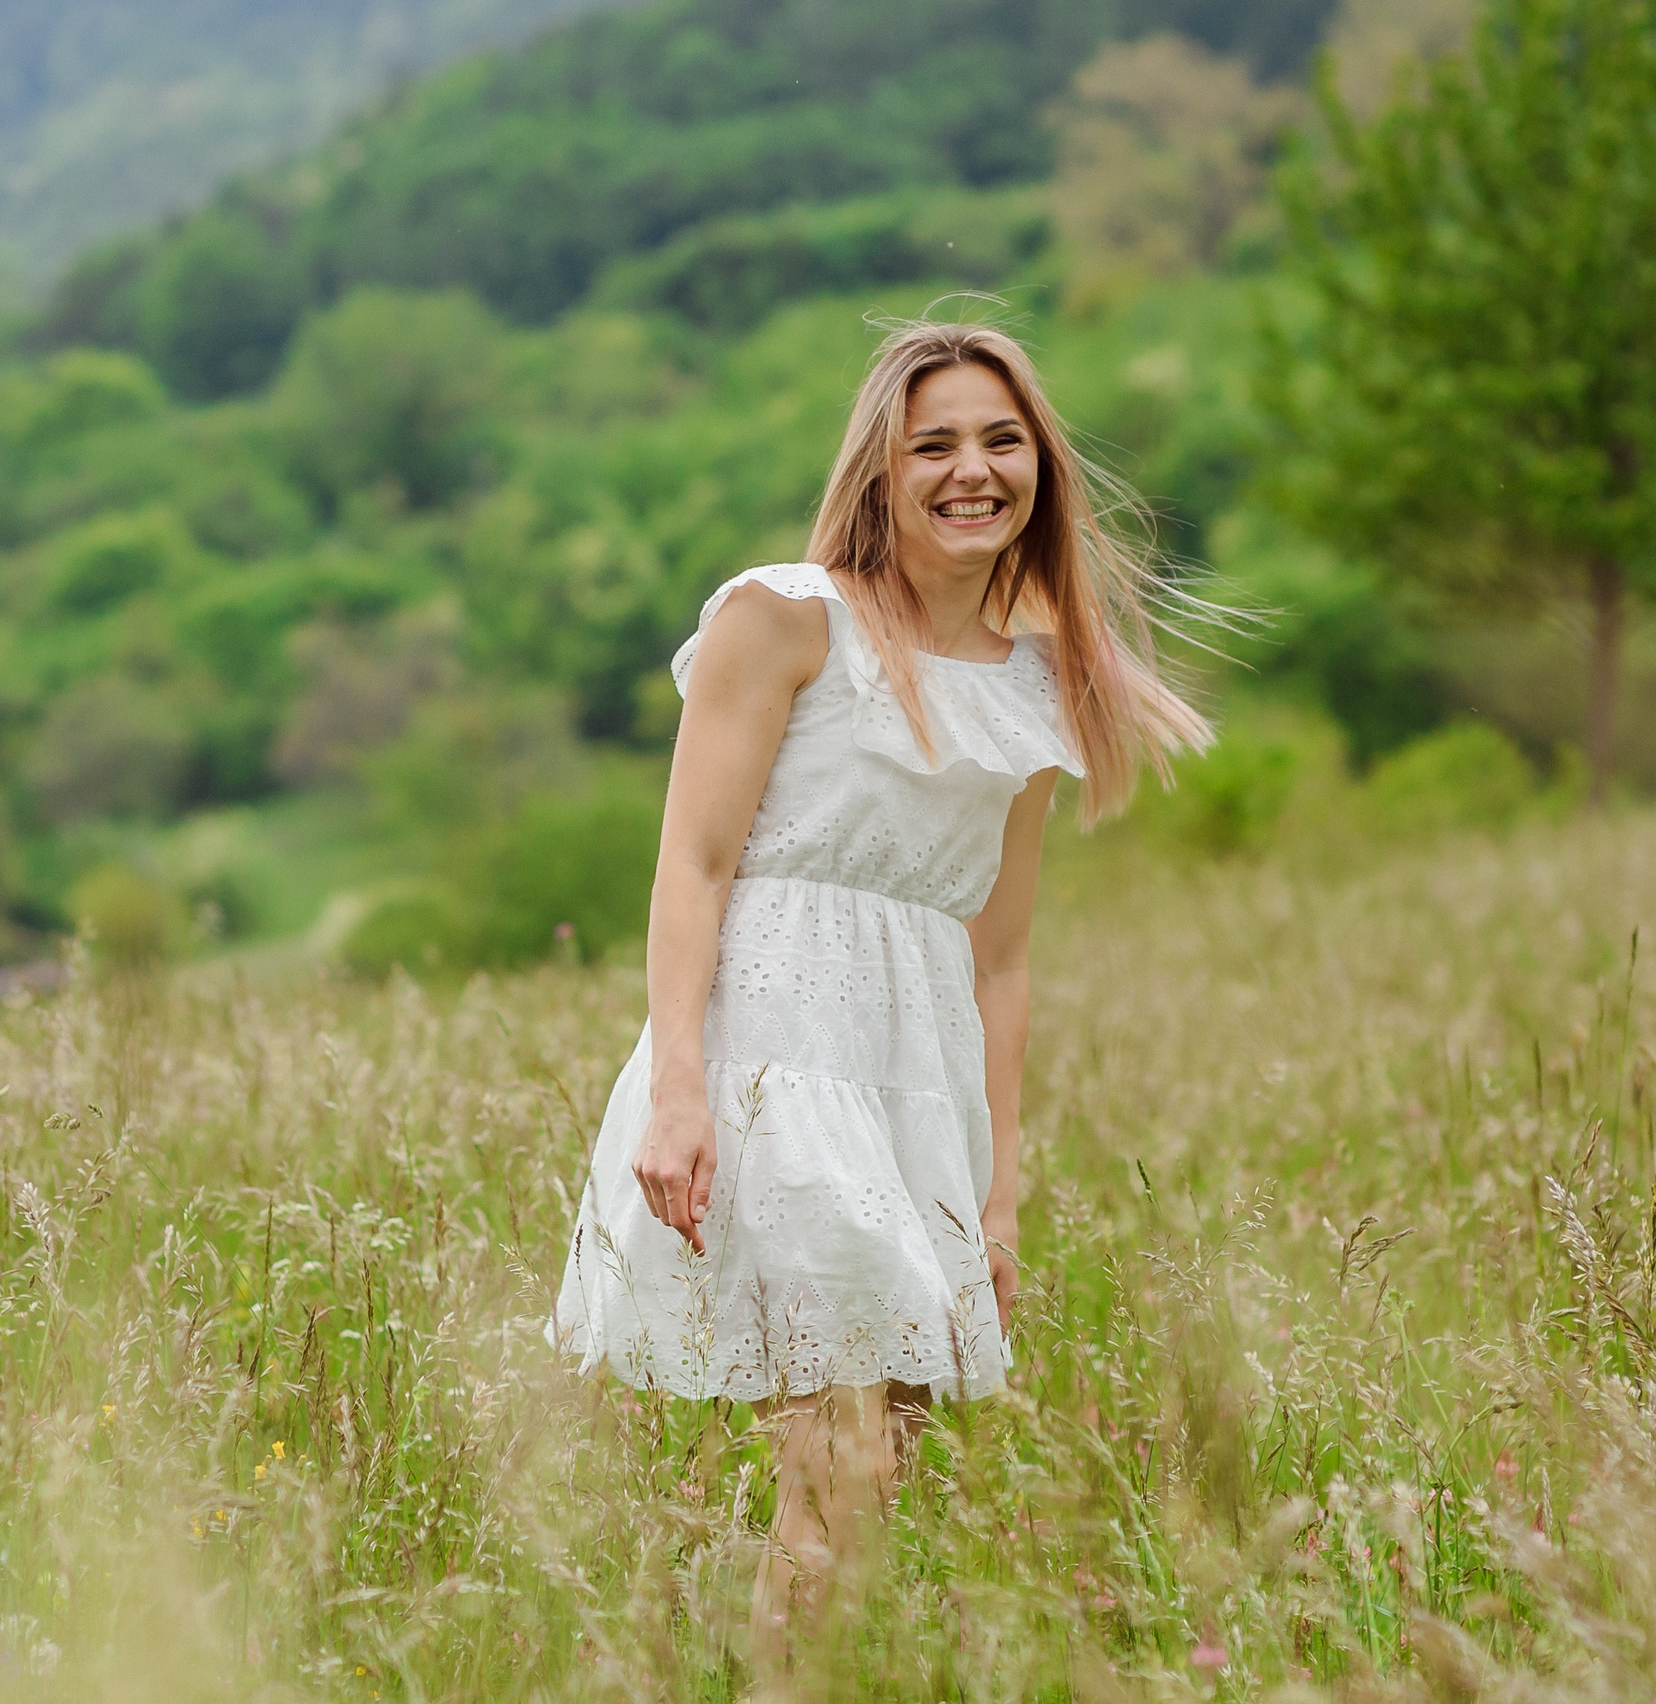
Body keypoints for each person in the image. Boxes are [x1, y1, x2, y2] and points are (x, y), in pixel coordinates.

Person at [550, 319, 1212, 1686]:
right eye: (935, 445)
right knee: (841, 1452)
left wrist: (997, 1195)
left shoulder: (1037, 687)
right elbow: (694, 863)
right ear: (882, 469)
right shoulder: (786, 617)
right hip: (771, 1062)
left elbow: (1000, 958)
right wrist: (678, 1093)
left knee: (869, 1471)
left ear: (1041, 467)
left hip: (916, 1087)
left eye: (1003, 441)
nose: (974, 471)